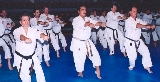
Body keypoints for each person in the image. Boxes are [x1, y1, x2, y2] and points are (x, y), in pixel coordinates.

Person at [70, 5, 106, 79]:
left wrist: (101, 23)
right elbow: (83, 25)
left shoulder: (88, 18)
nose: (84, 11)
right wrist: (89, 24)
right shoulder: (76, 20)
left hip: (87, 41)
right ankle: (80, 72)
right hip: (78, 42)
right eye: (82, 9)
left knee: (95, 55)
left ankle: (98, 71)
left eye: (85, 9)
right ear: (78, 11)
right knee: (79, 58)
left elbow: (95, 22)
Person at [13, 13, 48, 82]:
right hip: (21, 58)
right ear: (20, 22)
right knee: (26, 78)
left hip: (32, 56)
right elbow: (20, 36)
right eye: (24, 20)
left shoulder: (33, 30)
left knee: (40, 72)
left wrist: (44, 36)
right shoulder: (16, 31)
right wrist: (25, 38)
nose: (27, 22)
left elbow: (39, 33)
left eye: (28, 20)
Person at [124, 6, 153, 73]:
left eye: (136, 11)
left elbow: (145, 23)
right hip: (130, 41)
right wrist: (146, 26)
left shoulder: (138, 20)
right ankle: (131, 65)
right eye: (134, 11)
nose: (135, 13)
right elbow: (137, 25)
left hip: (138, 40)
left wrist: (150, 25)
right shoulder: (128, 21)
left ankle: (147, 66)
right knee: (133, 57)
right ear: (130, 12)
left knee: (145, 50)